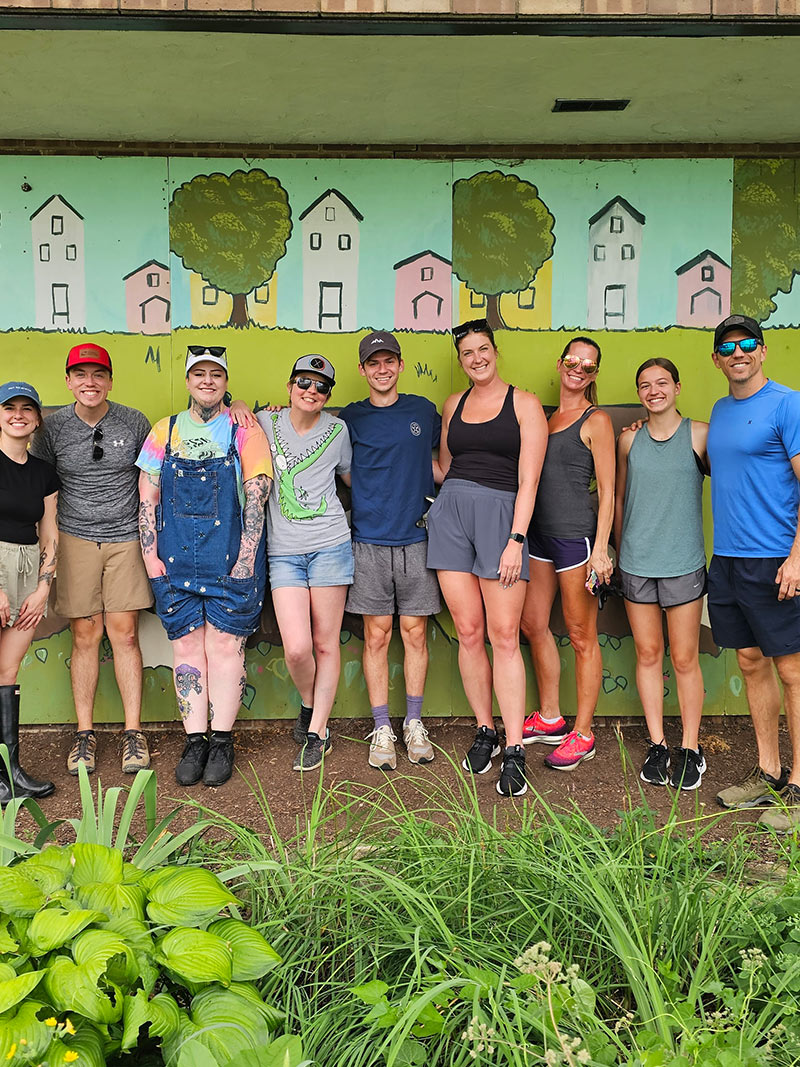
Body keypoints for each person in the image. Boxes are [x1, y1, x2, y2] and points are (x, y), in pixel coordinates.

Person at [137, 346, 271, 788]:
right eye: (200, 373)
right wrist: (150, 557)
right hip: (173, 559)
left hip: (230, 557)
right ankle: (194, 740)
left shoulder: (243, 429)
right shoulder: (165, 430)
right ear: (189, 379)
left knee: (225, 650)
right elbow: (148, 497)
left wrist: (247, 558)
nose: (208, 381)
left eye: (216, 374)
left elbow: (257, 493)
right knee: (186, 650)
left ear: (226, 381)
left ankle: (222, 741)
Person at [426, 318, 547, 797]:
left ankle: (515, 748)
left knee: (503, 635)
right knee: (469, 632)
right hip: (451, 514)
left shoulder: (525, 403)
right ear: (460, 360)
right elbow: (443, 468)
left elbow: (530, 480)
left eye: (483, 349)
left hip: (502, 517)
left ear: (496, 351)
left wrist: (517, 539)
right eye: (467, 353)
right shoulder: (453, 404)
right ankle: (486, 731)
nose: (476, 358)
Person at [31, 343, 152, 777]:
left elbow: (149, 483)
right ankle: (84, 734)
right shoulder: (54, 427)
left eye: (98, 374)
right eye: (80, 374)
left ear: (110, 380)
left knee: (124, 634)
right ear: (68, 381)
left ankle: (133, 733)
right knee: (85, 634)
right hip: (75, 537)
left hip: (124, 538)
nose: (90, 382)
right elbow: (41, 484)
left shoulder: (134, 421)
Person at [705, 315, 800, 830]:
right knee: (749, 661)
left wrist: (798, 557)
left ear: (762, 352)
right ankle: (769, 772)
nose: (738, 352)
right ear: (717, 359)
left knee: (792, 670)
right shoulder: (720, 410)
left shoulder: (789, 403)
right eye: (728, 347)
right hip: (730, 557)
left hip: (776, 557)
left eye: (747, 344)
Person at [337, 332, 441, 771]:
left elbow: (447, 459)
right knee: (377, 634)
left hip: (417, 537)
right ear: (362, 370)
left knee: (415, 633)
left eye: (389, 361)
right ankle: (382, 728)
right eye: (373, 363)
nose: (382, 369)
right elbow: (340, 470)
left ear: (401, 365)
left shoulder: (423, 411)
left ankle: (413, 723)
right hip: (369, 540)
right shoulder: (349, 419)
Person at [520, 337, 615, 773]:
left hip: (576, 541)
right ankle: (552, 717)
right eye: (573, 361)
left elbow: (610, 492)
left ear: (594, 375)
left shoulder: (597, 420)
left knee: (581, 636)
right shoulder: (547, 416)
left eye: (588, 366)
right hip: (537, 538)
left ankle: (583, 734)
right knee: (533, 623)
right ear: (561, 364)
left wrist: (600, 549)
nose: (579, 369)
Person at [615, 358, 709, 790]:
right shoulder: (628, 441)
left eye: (661, 383)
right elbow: (618, 499)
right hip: (636, 562)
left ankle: (690, 747)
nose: (653, 390)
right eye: (645, 385)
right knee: (649, 656)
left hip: (682, 562)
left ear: (677, 386)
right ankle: (658, 745)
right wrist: (615, 551)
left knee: (685, 658)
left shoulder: (701, 435)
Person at [256, 355, 353, 773]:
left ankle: (318, 732)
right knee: (296, 648)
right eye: (304, 382)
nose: (311, 391)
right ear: (289, 384)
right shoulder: (264, 422)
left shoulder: (338, 430)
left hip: (331, 544)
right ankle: (310, 703)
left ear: (328, 395)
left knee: (326, 643)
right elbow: (234, 410)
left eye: (321, 387)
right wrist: (242, 404)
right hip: (284, 552)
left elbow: (349, 477)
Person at [0, 382, 57, 801]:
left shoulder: (42, 471)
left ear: (37, 419)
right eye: (9, 407)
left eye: (26, 408)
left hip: (28, 567)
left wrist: (42, 587)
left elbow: (50, 531)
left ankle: (9, 771)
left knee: (7, 672)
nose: (18, 414)